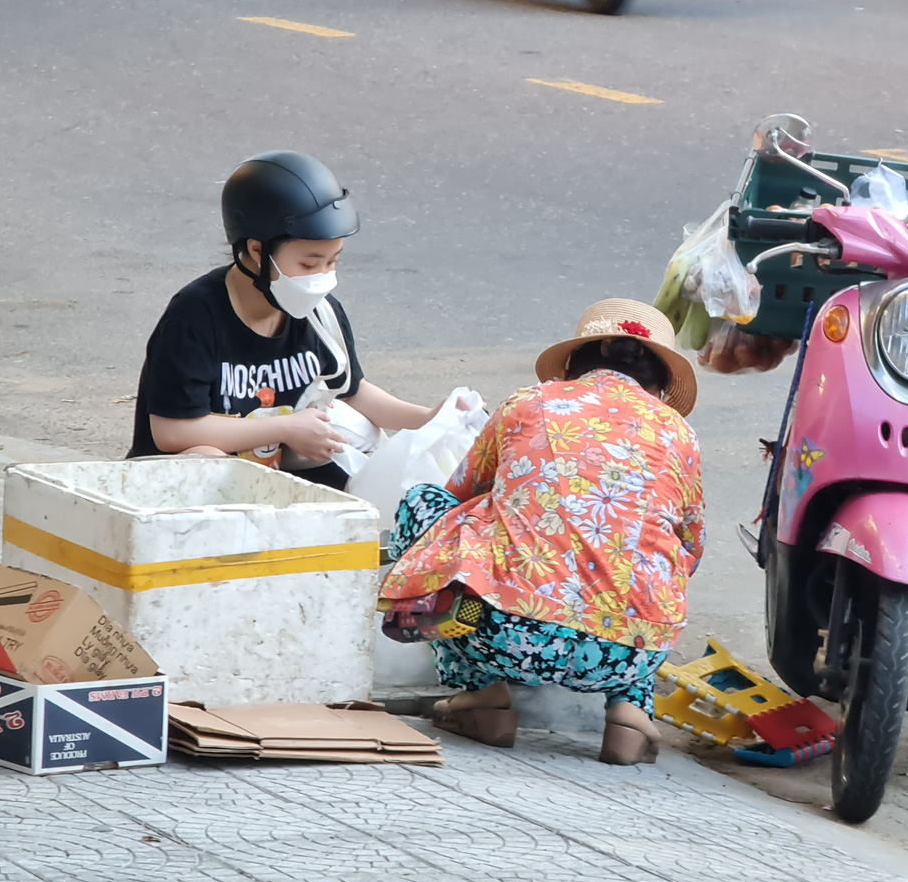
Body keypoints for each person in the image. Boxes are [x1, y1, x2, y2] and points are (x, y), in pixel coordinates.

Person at [378, 299, 703, 766]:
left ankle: (482, 693)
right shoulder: (680, 435)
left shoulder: (529, 403)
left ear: (572, 365)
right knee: (653, 562)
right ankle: (630, 711)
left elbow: (459, 497)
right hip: (630, 652)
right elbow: (691, 547)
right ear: (660, 388)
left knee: (425, 506)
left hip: (504, 635)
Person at [128, 151, 437, 490]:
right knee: (207, 460)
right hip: (179, 491)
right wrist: (285, 428)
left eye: (333, 262)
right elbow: (172, 432)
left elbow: (352, 392)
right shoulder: (195, 316)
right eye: (308, 265)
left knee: (360, 438)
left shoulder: (321, 313)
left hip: (280, 477)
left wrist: (429, 420)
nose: (322, 277)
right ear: (258, 251)